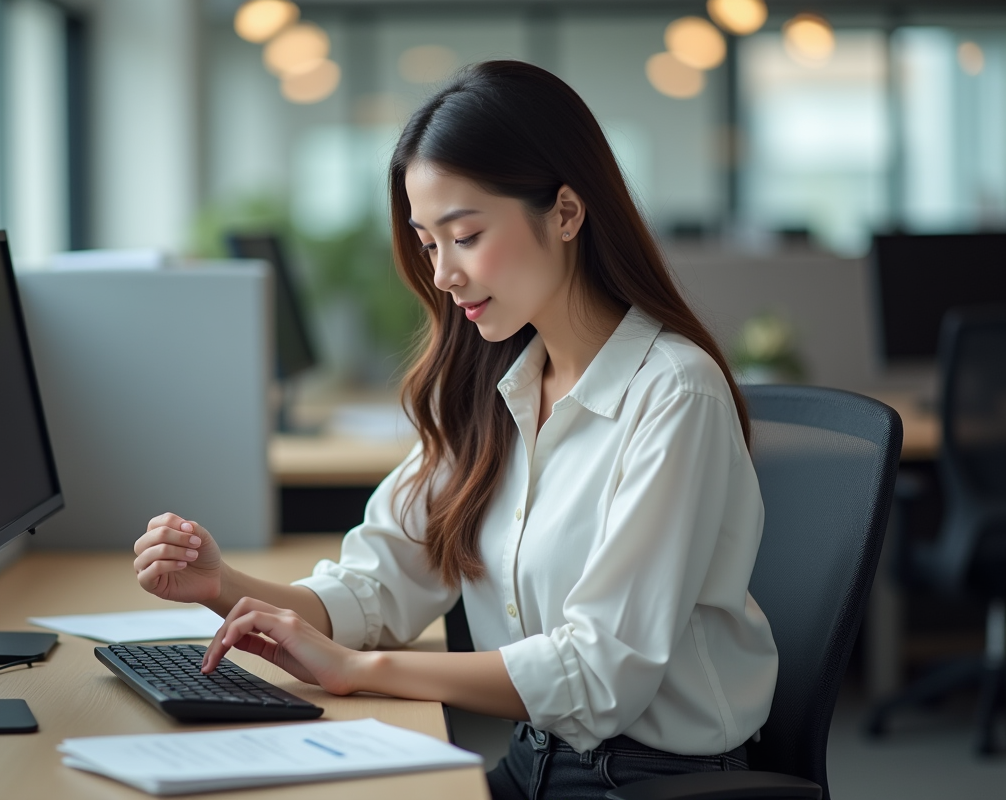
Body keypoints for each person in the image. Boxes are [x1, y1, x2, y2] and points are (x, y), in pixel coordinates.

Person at [132, 60, 778, 800]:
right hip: (536, 764)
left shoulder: (673, 393)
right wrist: (223, 587)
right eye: (427, 243)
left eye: (464, 235)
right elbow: (378, 590)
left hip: (653, 783)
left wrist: (362, 672)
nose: (442, 274)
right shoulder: (493, 390)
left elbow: (603, 675)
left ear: (566, 213)